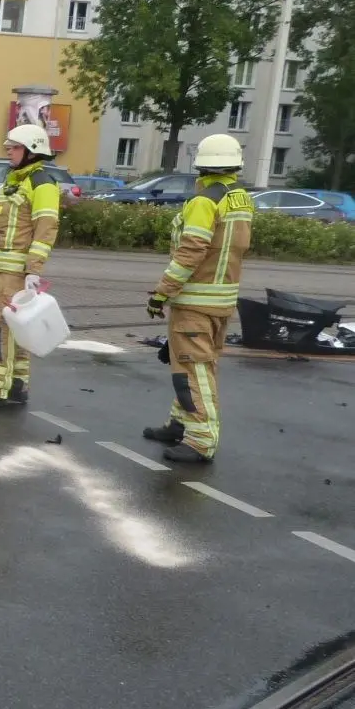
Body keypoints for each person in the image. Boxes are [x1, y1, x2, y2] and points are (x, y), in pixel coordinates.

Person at [143, 134, 254, 463]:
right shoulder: (240, 198)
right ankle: (180, 423)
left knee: (193, 371)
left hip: (195, 300)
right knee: (193, 365)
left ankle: (201, 439)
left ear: (201, 164)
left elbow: (191, 251)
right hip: (221, 299)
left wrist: (161, 293)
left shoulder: (205, 201)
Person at [0, 124, 59, 410]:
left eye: (15, 147)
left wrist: (34, 269)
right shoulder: (13, 181)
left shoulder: (41, 183)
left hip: (15, 273)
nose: (9, 151)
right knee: (16, 331)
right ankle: (17, 386)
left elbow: (46, 229)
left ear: (32, 150)